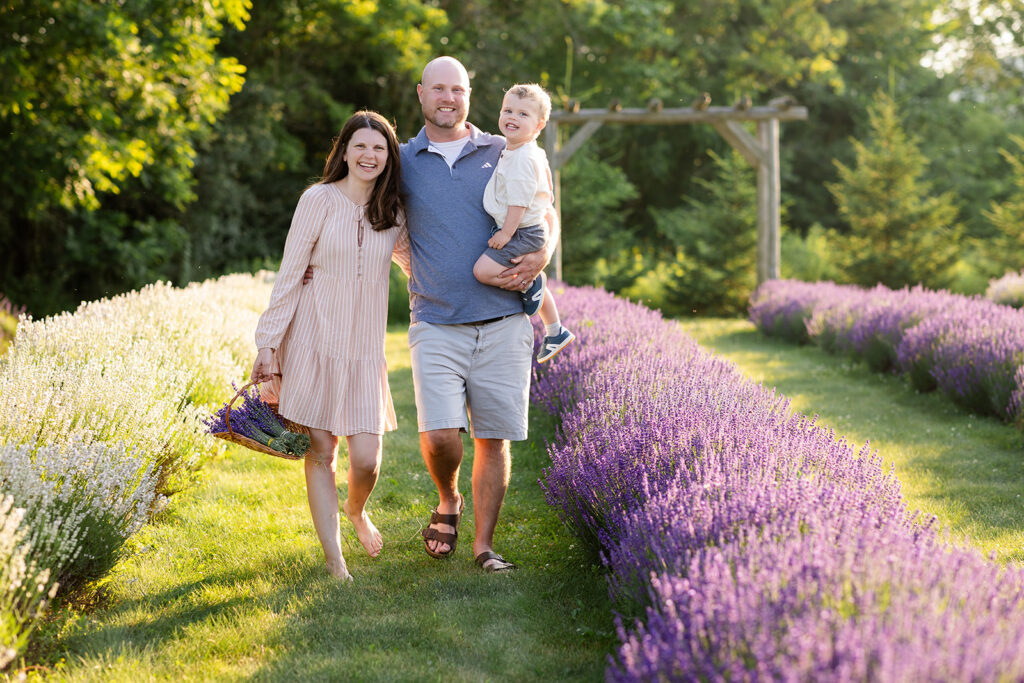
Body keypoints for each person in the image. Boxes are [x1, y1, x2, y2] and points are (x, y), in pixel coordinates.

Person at [401, 56, 557, 572]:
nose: (448, 98)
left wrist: (544, 252)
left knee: (493, 436)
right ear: (421, 93)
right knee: (441, 434)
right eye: (438, 89)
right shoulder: (400, 161)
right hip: (436, 319)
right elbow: (366, 215)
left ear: (469, 95)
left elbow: (546, 208)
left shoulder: (505, 147)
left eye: (459, 89)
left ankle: (484, 546)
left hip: (504, 321)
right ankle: (448, 499)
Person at [250, 110, 408, 581]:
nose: (369, 155)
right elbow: (290, 272)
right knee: (321, 451)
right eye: (360, 145)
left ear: (388, 157)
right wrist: (268, 343)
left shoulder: (393, 211)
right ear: (343, 150)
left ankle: (356, 509)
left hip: (363, 348)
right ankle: (335, 561)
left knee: (367, 459)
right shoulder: (317, 200)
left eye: (379, 148)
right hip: (314, 338)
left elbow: (418, 265)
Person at [472, 82, 574, 363]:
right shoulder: (521, 150)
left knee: (483, 271)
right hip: (525, 229)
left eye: (523, 114)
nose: (512, 118)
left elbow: (519, 201)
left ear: (540, 124)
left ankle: (529, 285)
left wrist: (506, 233)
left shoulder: (523, 157)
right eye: (508, 110)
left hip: (522, 232)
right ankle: (555, 330)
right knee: (519, 275)